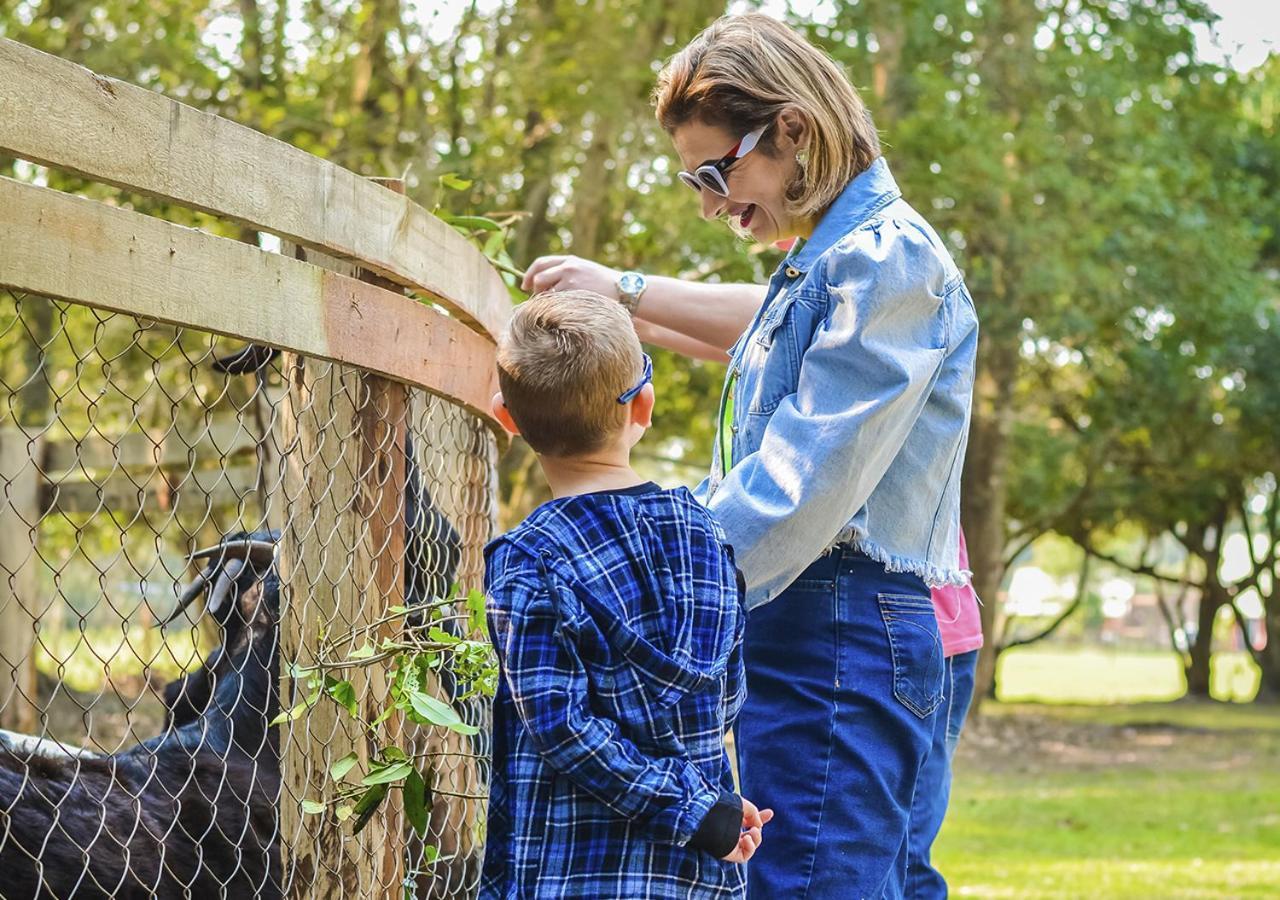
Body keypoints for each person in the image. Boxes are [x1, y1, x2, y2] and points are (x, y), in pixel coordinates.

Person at [522, 14, 977, 898]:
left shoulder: (888, 260)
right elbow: (766, 324)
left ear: (793, 131)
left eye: (714, 171)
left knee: (807, 883)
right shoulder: (838, 259)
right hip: (820, 617)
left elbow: (809, 482)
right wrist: (623, 295)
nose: (709, 204)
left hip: (837, 621)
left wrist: (653, 575)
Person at [480, 290, 773, 899]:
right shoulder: (706, 534)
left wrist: (693, 809)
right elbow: (726, 697)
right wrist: (700, 808)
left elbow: (559, 726)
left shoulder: (527, 562)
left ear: (506, 420)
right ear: (645, 404)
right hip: (694, 873)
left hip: (573, 871)